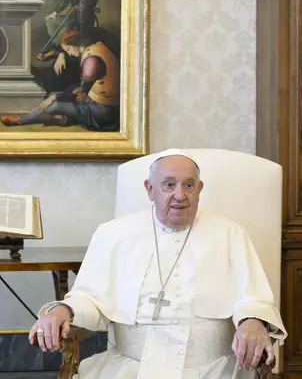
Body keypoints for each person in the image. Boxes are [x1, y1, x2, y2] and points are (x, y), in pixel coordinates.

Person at [29, 148, 288, 378]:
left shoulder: (230, 234)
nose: (180, 195)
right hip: (131, 367)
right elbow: (91, 299)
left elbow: (254, 299)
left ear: (199, 190)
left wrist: (253, 321)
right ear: (150, 190)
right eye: (168, 185)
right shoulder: (112, 234)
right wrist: (63, 310)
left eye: (188, 185)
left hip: (212, 369)